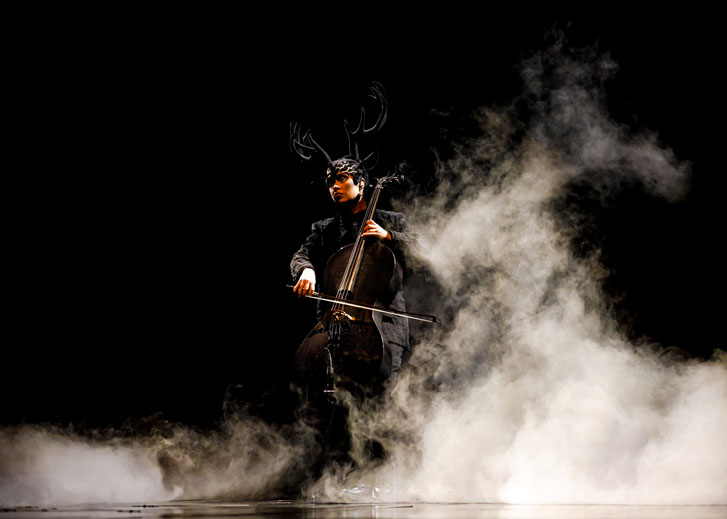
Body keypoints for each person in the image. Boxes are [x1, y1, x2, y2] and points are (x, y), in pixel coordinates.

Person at [289, 156, 411, 488]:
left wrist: (389, 237)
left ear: (361, 184)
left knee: (379, 399)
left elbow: (424, 249)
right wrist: (308, 271)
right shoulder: (325, 228)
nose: (334, 187)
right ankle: (336, 478)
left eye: (341, 180)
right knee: (336, 401)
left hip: (382, 324)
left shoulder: (390, 220)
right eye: (330, 182)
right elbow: (301, 254)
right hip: (338, 324)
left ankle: (384, 479)